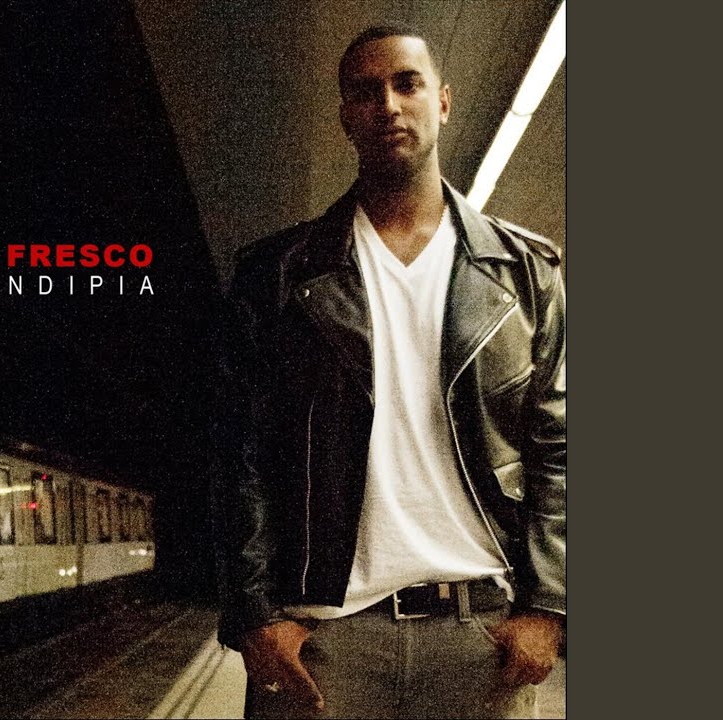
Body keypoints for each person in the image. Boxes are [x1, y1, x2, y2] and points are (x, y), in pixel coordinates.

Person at [213, 23, 565, 719]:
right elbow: (239, 454)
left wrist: (550, 606)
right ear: (346, 115)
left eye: (407, 84)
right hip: (323, 639)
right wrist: (254, 615)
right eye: (366, 92)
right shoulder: (275, 277)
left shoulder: (526, 273)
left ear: (443, 101)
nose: (389, 105)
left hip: (481, 636)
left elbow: (559, 447)